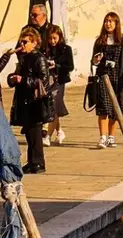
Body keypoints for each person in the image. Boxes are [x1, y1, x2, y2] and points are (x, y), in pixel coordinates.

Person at [3, 27, 51, 172]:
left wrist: (23, 80)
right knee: (29, 133)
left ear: (35, 43)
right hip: (25, 101)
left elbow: (43, 80)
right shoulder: (24, 58)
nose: (22, 45)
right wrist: (12, 79)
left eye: (25, 42)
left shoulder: (39, 58)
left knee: (35, 133)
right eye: (21, 41)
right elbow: (17, 76)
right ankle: (31, 162)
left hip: (35, 101)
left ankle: (38, 162)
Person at [89, 12, 123, 149]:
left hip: (119, 79)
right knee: (103, 107)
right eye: (106, 21)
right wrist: (96, 60)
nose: (108, 24)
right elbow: (93, 61)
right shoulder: (100, 41)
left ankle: (111, 136)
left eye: (110, 21)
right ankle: (102, 137)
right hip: (103, 78)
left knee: (116, 108)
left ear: (116, 23)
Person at [46, 26, 73, 145]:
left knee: (54, 106)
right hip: (47, 81)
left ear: (59, 37)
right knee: (51, 106)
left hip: (59, 81)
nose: (52, 41)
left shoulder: (66, 49)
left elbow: (70, 66)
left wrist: (56, 65)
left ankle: (47, 135)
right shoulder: (45, 49)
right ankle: (59, 130)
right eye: (50, 38)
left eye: (55, 38)